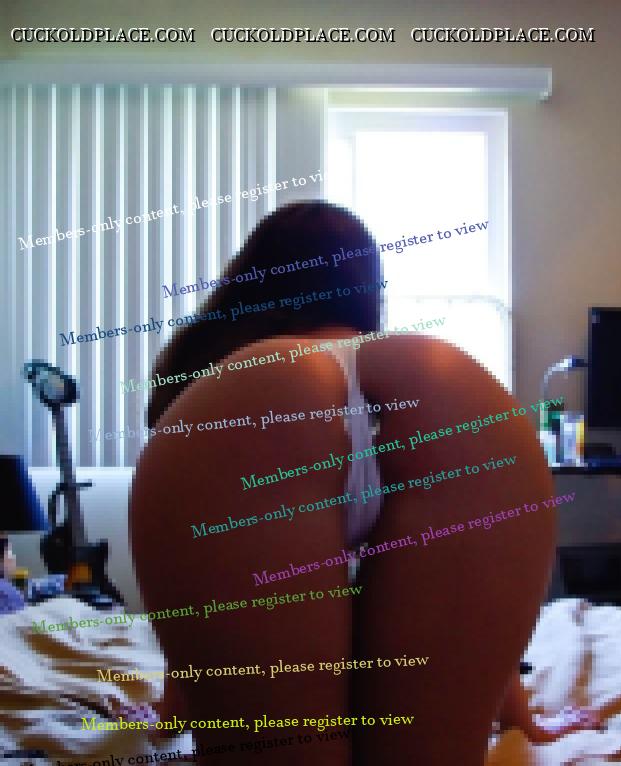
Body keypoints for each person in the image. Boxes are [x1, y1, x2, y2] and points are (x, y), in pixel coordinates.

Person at [130, 201, 596, 765]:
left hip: (258, 406)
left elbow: (196, 600)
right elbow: (480, 630)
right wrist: (520, 718)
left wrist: (176, 707)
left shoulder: (225, 378)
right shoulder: (409, 364)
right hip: (449, 391)